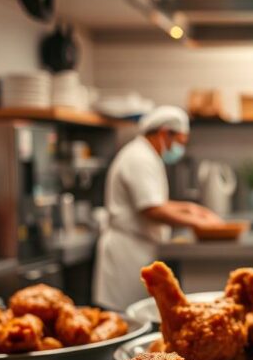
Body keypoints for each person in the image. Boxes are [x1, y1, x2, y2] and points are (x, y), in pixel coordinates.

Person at [93, 106, 220, 310]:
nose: (180, 148)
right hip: (128, 252)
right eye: (180, 142)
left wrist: (191, 209)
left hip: (139, 249)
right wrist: (197, 223)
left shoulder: (147, 155)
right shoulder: (139, 158)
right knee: (129, 317)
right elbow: (151, 209)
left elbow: (157, 202)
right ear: (164, 133)